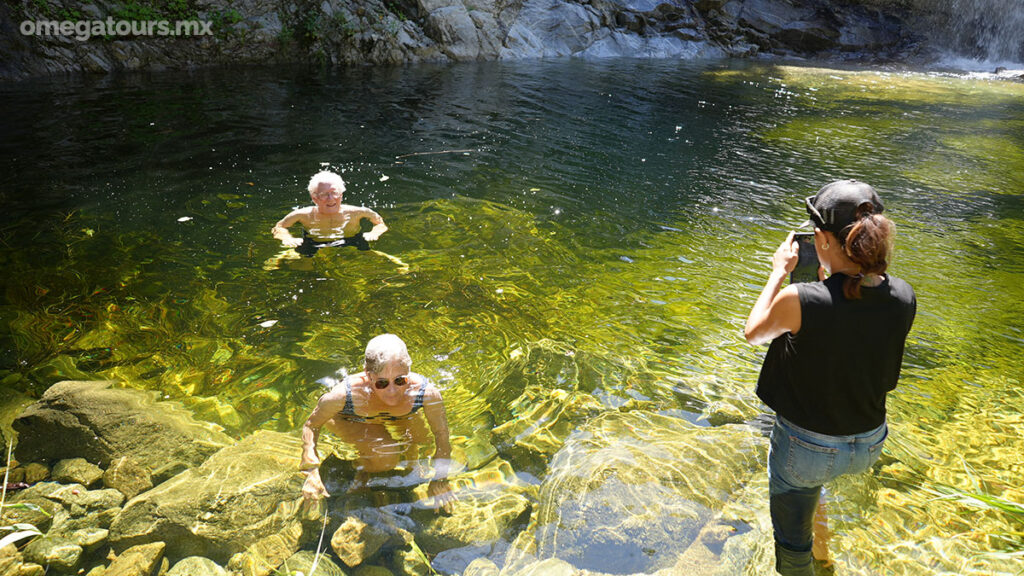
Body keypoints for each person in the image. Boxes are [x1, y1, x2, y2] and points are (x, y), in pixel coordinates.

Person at [744, 180, 916, 575]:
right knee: (814, 488)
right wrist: (830, 278)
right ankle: (825, 560)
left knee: (791, 543)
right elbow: (851, 319)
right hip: (868, 441)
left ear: (821, 239)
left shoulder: (800, 299)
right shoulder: (904, 295)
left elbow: (754, 333)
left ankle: (807, 562)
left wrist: (777, 273)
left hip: (807, 448)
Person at [299, 334, 456, 513]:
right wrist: (311, 471)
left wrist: (440, 479)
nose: (392, 391)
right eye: (382, 383)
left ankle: (406, 468)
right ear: (368, 375)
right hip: (353, 417)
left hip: (399, 416)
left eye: (400, 380)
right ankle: (359, 468)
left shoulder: (426, 393)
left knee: (423, 441)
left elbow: (442, 436)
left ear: (409, 370)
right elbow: (311, 425)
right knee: (386, 458)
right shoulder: (343, 396)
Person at [272, 170, 388, 256]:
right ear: (314, 198)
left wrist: (374, 233)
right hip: (314, 241)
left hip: (352, 239)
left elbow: (380, 223)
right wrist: (287, 238)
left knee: (371, 256)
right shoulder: (302, 215)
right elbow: (279, 227)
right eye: (324, 194)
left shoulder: (358, 212)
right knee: (302, 263)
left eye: (334, 193)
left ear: (341, 195)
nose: (330, 198)